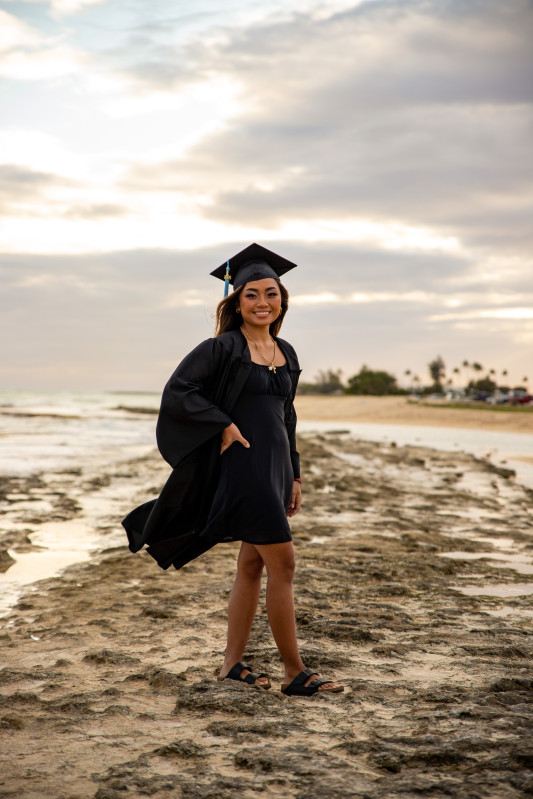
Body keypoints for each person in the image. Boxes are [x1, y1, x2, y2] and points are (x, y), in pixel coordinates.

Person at [122, 243, 344, 697]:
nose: (263, 302)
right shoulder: (222, 347)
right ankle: (294, 672)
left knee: (251, 566)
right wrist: (221, 424)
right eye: (252, 295)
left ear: (282, 299)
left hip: (275, 469)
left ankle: (231, 665)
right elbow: (179, 390)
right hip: (244, 468)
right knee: (283, 563)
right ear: (236, 301)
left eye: (271, 294)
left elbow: (287, 418)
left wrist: (296, 473)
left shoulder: (286, 351)